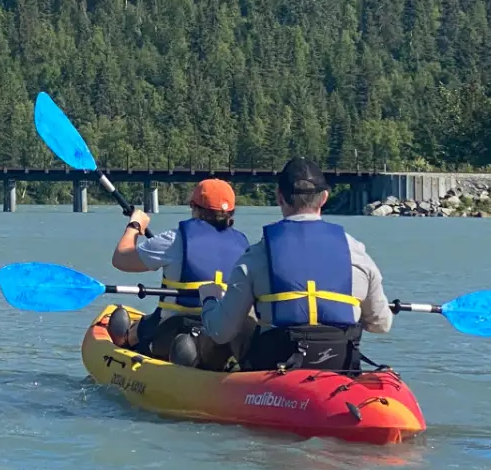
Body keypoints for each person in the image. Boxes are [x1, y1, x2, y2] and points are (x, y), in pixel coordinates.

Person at [199, 157, 392, 373]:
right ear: (325, 198)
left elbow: (221, 332)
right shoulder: (357, 253)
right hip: (340, 364)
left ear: (279, 198)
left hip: (276, 367)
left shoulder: (256, 255)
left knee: (245, 319)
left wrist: (210, 299)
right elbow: (381, 324)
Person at [105, 178, 248, 369]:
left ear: (193, 207)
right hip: (222, 333)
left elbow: (121, 259)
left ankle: (125, 340)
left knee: (134, 328)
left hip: (174, 330)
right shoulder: (244, 245)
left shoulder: (174, 239)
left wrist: (135, 225)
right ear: (231, 212)